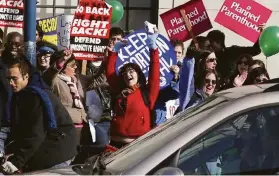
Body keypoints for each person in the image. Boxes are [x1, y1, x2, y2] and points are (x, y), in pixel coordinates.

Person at [3, 56, 78, 174]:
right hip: (49, 147)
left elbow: (35, 133)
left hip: (57, 151)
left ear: (26, 76)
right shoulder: (21, 94)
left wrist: (17, 162)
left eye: (14, 78)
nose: (11, 83)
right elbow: (20, 131)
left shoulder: (34, 96)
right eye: (8, 79)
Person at [106, 28, 160, 148]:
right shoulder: (120, 90)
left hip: (137, 148)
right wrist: (114, 52)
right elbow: (110, 73)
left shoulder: (147, 93)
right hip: (115, 146)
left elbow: (155, 73)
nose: (127, 74)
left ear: (138, 74)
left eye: (131, 71)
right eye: (124, 73)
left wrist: (153, 47)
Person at [43, 50, 106, 144]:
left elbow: (98, 79)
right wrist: (62, 60)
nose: (76, 67)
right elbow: (49, 75)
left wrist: (107, 60)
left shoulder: (79, 79)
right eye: (72, 66)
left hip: (84, 125)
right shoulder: (55, 81)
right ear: (63, 67)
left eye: (76, 64)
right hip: (66, 127)